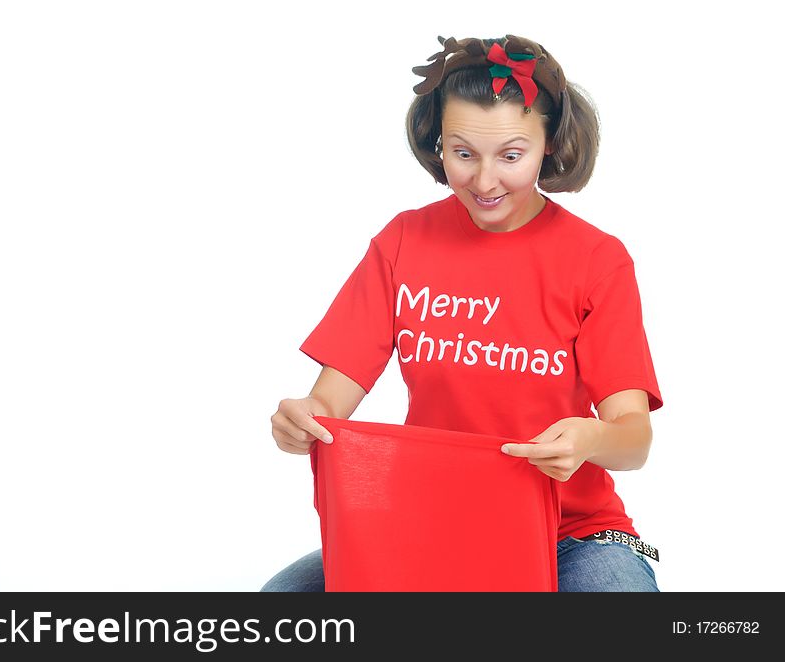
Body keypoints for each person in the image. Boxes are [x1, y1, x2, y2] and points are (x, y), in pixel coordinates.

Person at [264, 34, 663, 592]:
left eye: (511, 155)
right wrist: (301, 419)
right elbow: (330, 400)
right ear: (438, 143)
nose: (484, 181)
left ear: (550, 143)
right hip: (426, 523)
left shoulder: (597, 260)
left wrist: (589, 440)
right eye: (463, 153)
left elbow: (633, 439)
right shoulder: (404, 241)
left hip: (570, 537)